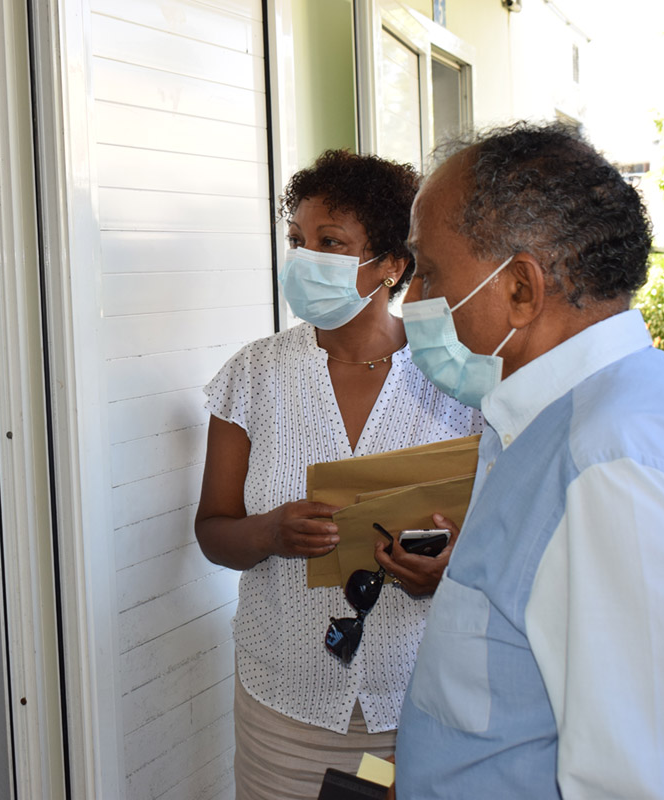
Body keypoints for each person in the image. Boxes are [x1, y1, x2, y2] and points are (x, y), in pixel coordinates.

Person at [394, 121, 664, 798]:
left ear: (521, 289)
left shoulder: (613, 473)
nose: (412, 302)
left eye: (430, 273)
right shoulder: (568, 424)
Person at [194, 150, 482, 799]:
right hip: (284, 707)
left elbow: (499, 538)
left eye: (330, 242)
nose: (303, 257)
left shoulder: (456, 382)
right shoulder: (254, 375)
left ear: (392, 264)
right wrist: (269, 533)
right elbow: (213, 532)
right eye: (297, 239)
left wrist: (445, 569)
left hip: (419, 703)